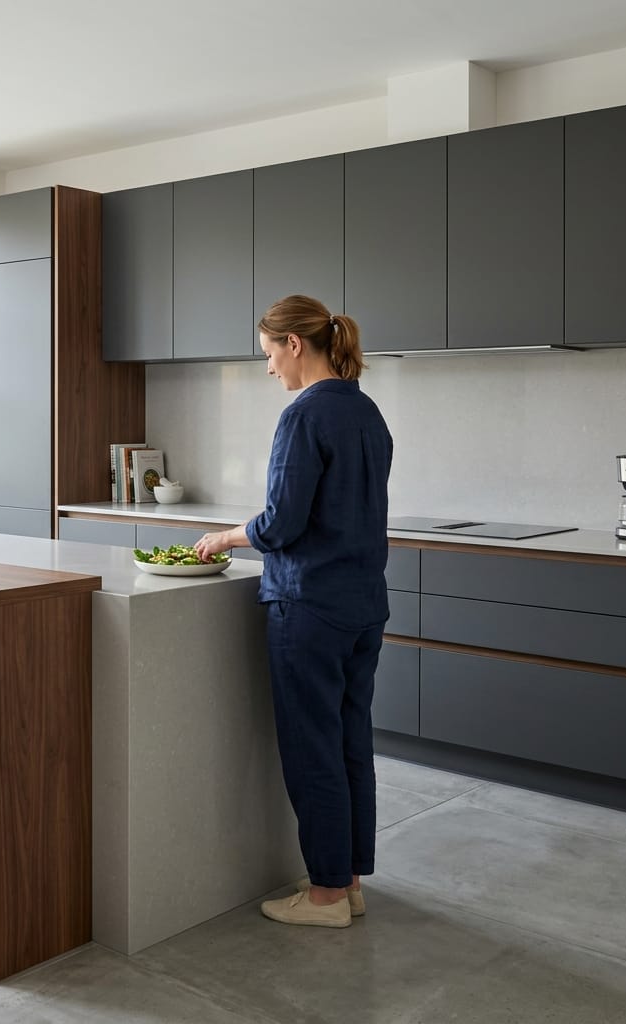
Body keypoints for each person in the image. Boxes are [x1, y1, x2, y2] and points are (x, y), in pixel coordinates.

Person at [194, 294, 393, 929]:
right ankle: (349, 880)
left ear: (294, 344)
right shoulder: (366, 411)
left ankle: (326, 896)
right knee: (350, 742)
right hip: (364, 606)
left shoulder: (303, 415)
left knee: (313, 750)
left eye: (269, 353)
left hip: (309, 607)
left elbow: (281, 523)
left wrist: (227, 537)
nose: (269, 367)